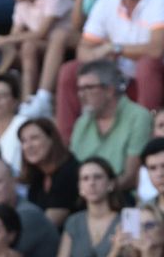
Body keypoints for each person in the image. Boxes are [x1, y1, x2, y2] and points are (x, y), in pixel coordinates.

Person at [53, 0, 164, 142]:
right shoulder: (106, 2)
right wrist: (98, 55)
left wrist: (114, 49)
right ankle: (66, 143)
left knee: (147, 65)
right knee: (70, 70)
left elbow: (156, 51)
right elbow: (83, 50)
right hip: (121, 79)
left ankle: (144, 139)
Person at [65, 60, 153, 192]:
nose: (81, 95)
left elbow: (131, 176)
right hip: (86, 197)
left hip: (122, 197)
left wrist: (99, 194)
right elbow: (73, 171)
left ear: (109, 90)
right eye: (80, 89)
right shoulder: (82, 123)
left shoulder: (139, 117)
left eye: (88, 88)